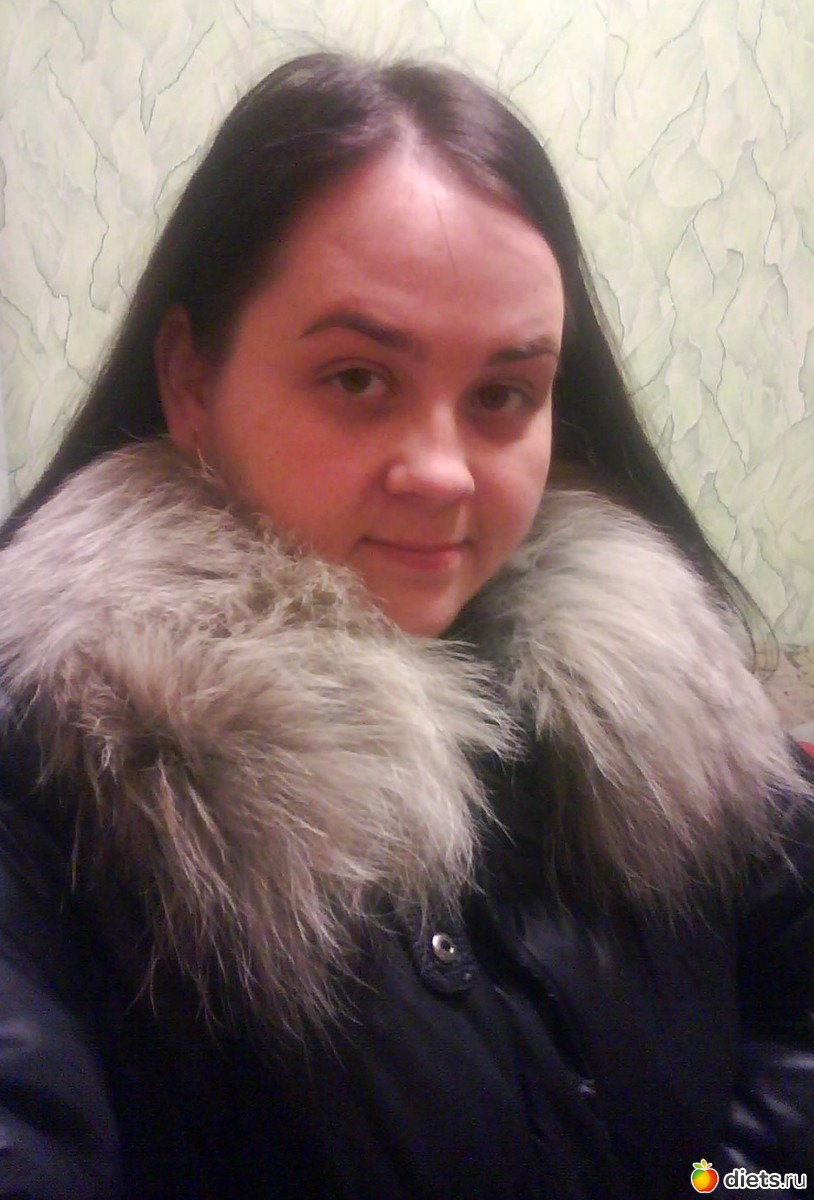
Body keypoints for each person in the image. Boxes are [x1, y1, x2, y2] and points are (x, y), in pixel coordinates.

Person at [0, 51, 811, 1200]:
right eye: (356, 379)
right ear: (189, 379)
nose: (442, 473)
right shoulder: (54, 761)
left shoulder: (666, 692)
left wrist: (727, 1185)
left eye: (502, 395)